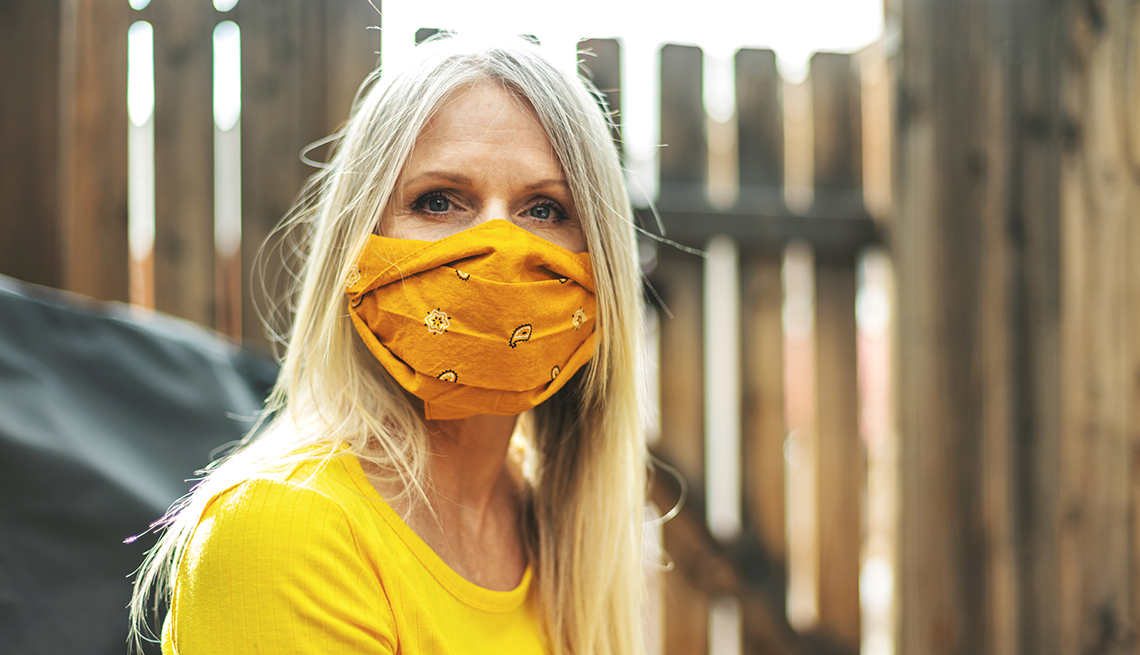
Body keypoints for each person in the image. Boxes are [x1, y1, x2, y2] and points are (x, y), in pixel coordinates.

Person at [129, 32, 649, 655]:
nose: (498, 247)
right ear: (358, 242)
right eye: (438, 201)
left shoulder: (563, 531)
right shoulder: (286, 528)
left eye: (544, 210)